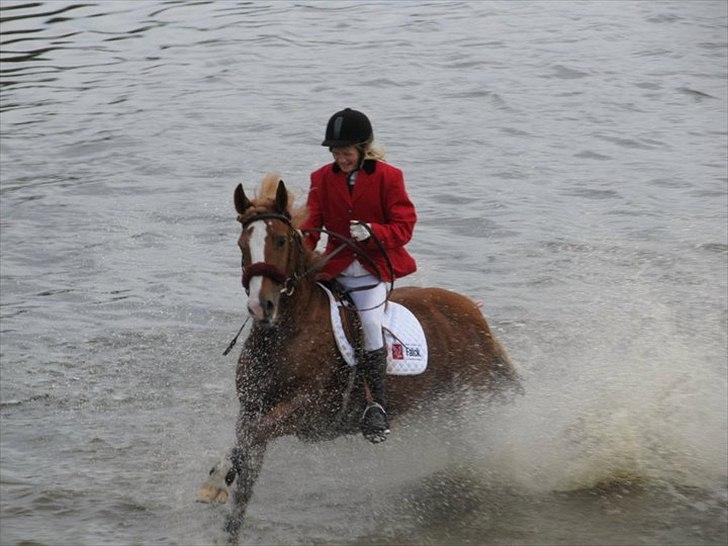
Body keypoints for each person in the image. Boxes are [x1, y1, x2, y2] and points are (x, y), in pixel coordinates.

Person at [302, 108, 417, 443]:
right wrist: (302, 255)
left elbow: (404, 227)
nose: (341, 159)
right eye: (336, 153)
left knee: (368, 324)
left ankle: (377, 405)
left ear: (363, 149)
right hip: (333, 272)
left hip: (370, 273)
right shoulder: (321, 177)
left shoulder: (389, 177)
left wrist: (374, 232)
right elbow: (311, 227)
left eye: (347, 153)